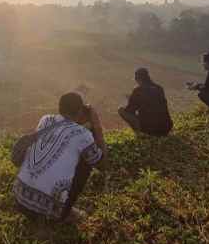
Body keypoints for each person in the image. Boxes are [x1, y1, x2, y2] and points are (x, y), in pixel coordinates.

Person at [13, 92, 107, 222]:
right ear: (80, 111)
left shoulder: (45, 120)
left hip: (20, 200)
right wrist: (96, 126)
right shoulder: (83, 135)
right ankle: (65, 212)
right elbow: (102, 164)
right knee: (87, 161)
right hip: (47, 213)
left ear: (60, 108)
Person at [118, 68, 173, 137]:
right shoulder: (159, 88)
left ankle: (139, 133)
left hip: (151, 129)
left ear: (137, 79)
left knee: (121, 110)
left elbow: (130, 110)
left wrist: (130, 99)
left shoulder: (138, 90)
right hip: (166, 128)